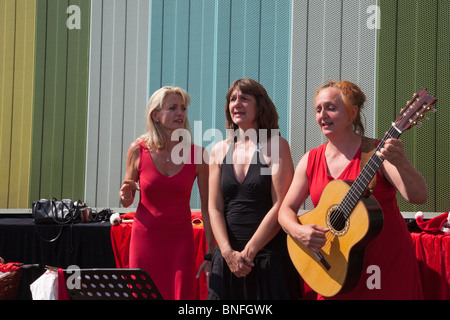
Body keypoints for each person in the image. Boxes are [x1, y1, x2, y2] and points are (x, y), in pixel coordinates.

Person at [278, 80, 425, 299]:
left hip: (385, 270)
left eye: (331, 107)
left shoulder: (377, 153)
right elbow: (285, 210)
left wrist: (402, 162)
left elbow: (418, 197)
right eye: (318, 109)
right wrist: (299, 232)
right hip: (335, 271)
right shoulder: (311, 159)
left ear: (352, 112)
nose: (322, 114)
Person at [207, 78, 302, 300]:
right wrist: (227, 253)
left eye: (244, 98)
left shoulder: (276, 145)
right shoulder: (218, 151)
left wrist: (249, 252)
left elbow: (280, 205)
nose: (237, 104)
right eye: (232, 99)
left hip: (267, 258)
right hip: (228, 260)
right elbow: (214, 207)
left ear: (260, 106)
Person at [119, 86, 215, 300]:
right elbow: (126, 202)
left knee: (181, 296)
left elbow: (209, 208)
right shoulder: (137, 149)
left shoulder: (198, 154)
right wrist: (125, 192)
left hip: (180, 242)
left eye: (183, 108)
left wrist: (210, 253)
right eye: (172, 108)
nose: (180, 113)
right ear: (155, 114)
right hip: (145, 240)